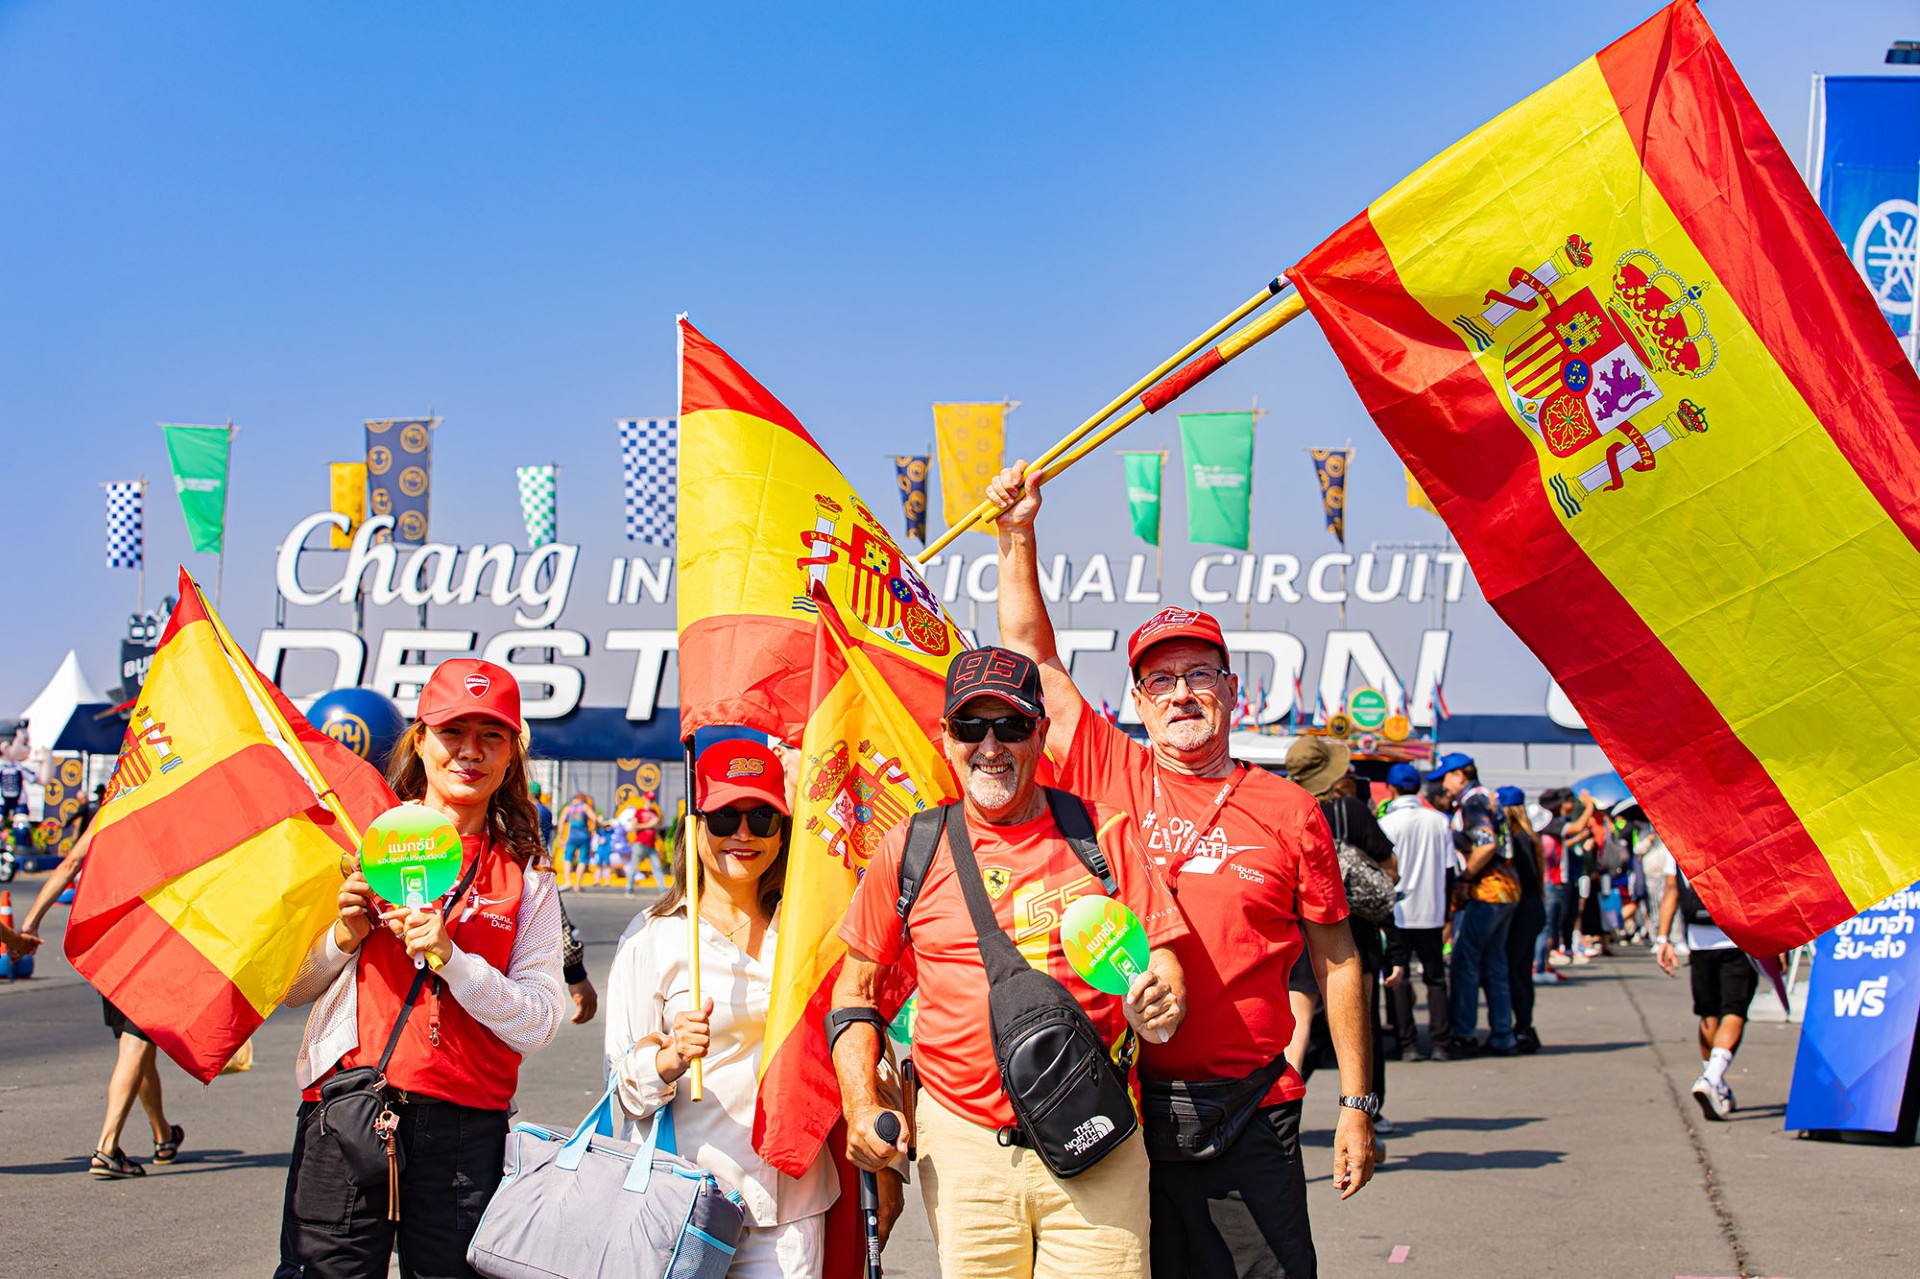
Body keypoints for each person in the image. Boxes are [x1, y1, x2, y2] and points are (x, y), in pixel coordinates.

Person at [987, 461, 1375, 1279]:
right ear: (1137, 699)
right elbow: (1029, 655)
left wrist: (1356, 1103)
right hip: (1122, 1107)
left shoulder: (1290, 809)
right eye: (1161, 679)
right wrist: (1017, 533)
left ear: (1232, 689)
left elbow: (1339, 960)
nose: (1182, 693)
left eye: (1200, 673)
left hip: (1253, 1108)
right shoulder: (1109, 767)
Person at [832, 646, 1187, 1277]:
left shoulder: (1102, 832)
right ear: (946, 737)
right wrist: (860, 1104)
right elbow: (853, 992)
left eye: (1012, 725)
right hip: (964, 1149)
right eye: (971, 726)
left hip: (1097, 1133)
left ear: (1040, 733)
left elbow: (1162, 955)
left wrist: (1163, 996)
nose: (990, 746)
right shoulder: (911, 847)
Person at [277, 658, 565, 1278]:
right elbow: (292, 988)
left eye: (491, 736)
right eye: (452, 731)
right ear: (419, 741)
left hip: (466, 1131)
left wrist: (454, 961)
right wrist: (344, 937)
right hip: (350, 1108)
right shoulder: (360, 840)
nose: (470, 751)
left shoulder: (528, 875)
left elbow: (541, 1021)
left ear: (511, 755)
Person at [605, 739, 840, 1277]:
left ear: (782, 831)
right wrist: (666, 1060)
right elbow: (621, 1087)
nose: (744, 834)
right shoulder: (654, 937)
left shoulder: (809, 932)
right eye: (725, 817)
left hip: (791, 1204)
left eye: (762, 818)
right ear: (694, 827)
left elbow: (851, 1043)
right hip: (681, 1203)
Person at [23, 831, 185, 1179]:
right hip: (156, 937)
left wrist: (31, 922)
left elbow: (71, 862)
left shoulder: (114, 809)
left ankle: (163, 1134)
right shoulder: (175, 807)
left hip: (113, 942)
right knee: (136, 1044)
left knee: (139, 1045)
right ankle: (107, 1149)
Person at [1289, 738, 1396, 1138]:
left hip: (1295, 931)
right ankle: (1365, 1110)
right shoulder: (1349, 810)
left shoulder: (1283, 806)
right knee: (1359, 1021)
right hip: (1348, 928)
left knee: (1296, 1029)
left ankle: (1280, 1112)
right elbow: (1389, 867)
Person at [1430, 752, 1518, 1057]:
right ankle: (1503, 1034)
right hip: (1506, 891)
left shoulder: (1473, 801)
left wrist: (1465, 877)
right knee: (1495, 964)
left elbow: (1487, 843)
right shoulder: (1487, 797)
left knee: (1465, 963)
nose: (1443, 786)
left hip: (1487, 892)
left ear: (1460, 775)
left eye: (1445, 778)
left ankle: (1465, 1032)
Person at [1656, 864, 1755, 1120]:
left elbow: (1671, 889)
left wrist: (1663, 938)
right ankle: (1712, 1077)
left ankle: (1716, 1082)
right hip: (1738, 935)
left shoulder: (1676, 843)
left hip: (1698, 940)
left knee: (1708, 1013)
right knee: (1734, 1010)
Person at [1377, 761, 1460, 1060]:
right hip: (1431, 909)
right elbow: (1450, 870)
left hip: (1398, 912)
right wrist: (1447, 911)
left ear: (1392, 789)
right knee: (1435, 979)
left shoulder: (1387, 823)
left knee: (1397, 978)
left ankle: (1407, 1042)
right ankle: (1441, 1042)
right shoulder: (1438, 821)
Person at [1499, 787, 1545, 1054]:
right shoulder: (1529, 836)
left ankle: (1522, 1026)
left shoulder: (1518, 839)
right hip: (1533, 906)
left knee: (1513, 969)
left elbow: (1525, 877)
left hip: (1523, 908)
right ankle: (1525, 1025)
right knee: (1522, 970)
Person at [558, 791, 597, 890]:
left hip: (572, 836)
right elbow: (594, 818)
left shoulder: (568, 808)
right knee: (583, 859)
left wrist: (561, 838)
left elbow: (561, 822)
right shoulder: (584, 806)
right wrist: (593, 830)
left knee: (568, 857)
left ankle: (567, 882)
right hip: (584, 835)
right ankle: (577, 885)